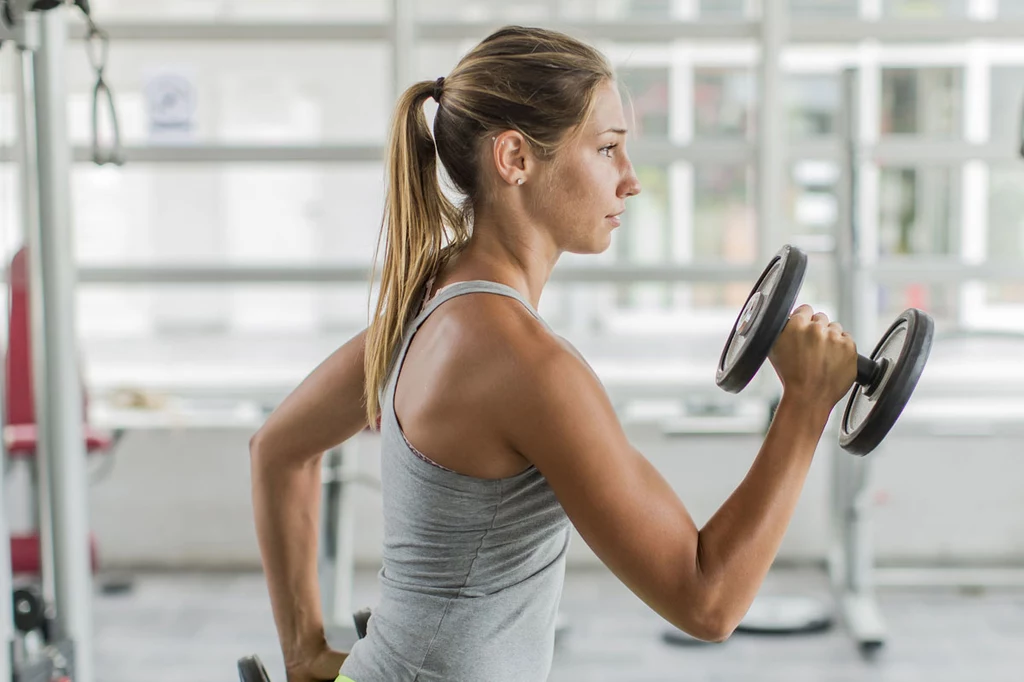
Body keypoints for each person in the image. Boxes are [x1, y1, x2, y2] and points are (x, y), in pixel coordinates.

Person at [249, 25, 858, 682]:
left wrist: (304, 652)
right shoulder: (524, 364)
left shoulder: (428, 304)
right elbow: (706, 600)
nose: (630, 181)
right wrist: (806, 403)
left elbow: (278, 449)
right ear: (514, 159)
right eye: (606, 149)